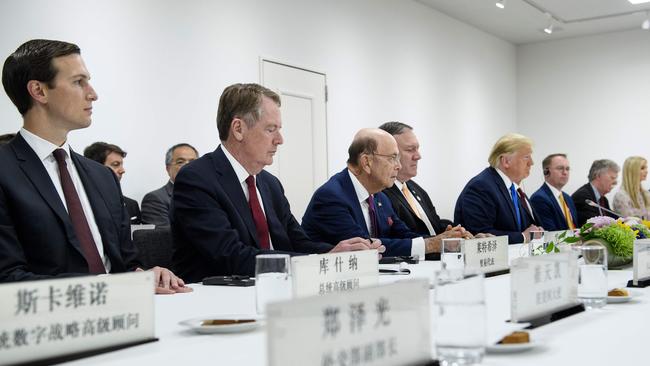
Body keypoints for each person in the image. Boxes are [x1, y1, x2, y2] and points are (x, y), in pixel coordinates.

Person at [0, 39, 189, 293]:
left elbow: (125, 262)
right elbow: (8, 277)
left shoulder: (101, 177)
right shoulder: (6, 171)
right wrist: (108, 288)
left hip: (123, 316)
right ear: (39, 91)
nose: (93, 93)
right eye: (79, 82)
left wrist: (145, 276)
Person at [171, 83, 381, 282]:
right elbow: (231, 256)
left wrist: (338, 254)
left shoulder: (269, 183)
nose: (280, 139)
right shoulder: (197, 179)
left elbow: (298, 241)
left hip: (275, 288)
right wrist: (319, 262)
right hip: (217, 302)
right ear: (238, 129)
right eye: (271, 129)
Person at [302, 128, 471, 259]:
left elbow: (405, 235)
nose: (398, 166)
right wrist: (431, 244)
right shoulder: (331, 197)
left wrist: (447, 240)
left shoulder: (379, 196)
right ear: (366, 162)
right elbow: (366, 248)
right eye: (392, 158)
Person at [454, 133, 542, 244]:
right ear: (506, 161)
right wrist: (523, 237)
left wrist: (537, 231)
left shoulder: (512, 189)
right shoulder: (481, 187)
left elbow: (524, 227)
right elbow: (480, 235)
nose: (532, 163)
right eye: (526, 157)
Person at [378, 122, 453, 237]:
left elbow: (434, 226)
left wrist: (456, 232)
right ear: (391, 153)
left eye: (417, 149)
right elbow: (401, 237)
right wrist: (438, 241)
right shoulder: (380, 192)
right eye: (410, 150)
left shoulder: (416, 189)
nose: (418, 156)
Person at [83, 142, 142, 224]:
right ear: (96, 167)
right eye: (116, 164)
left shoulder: (131, 205)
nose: (122, 170)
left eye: (121, 164)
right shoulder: (81, 203)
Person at [141, 143, 198, 226]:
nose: (188, 166)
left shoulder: (209, 195)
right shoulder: (155, 199)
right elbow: (164, 235)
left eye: (193, 162)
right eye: (180, 162)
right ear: (168, 169)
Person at [530, 154, 578, 231]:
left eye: (567, 169)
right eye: (560, 168)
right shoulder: (539, 198)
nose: (565, 172)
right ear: (546, 172)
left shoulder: (568, 198)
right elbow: (550, 233)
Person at [572, 159, 619, 226]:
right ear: (598, 176)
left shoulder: (603, 199)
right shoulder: (583, 197)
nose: (615, 182)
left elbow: (614, 218)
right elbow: (592, 225)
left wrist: (627, 220)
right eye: (612, 178)